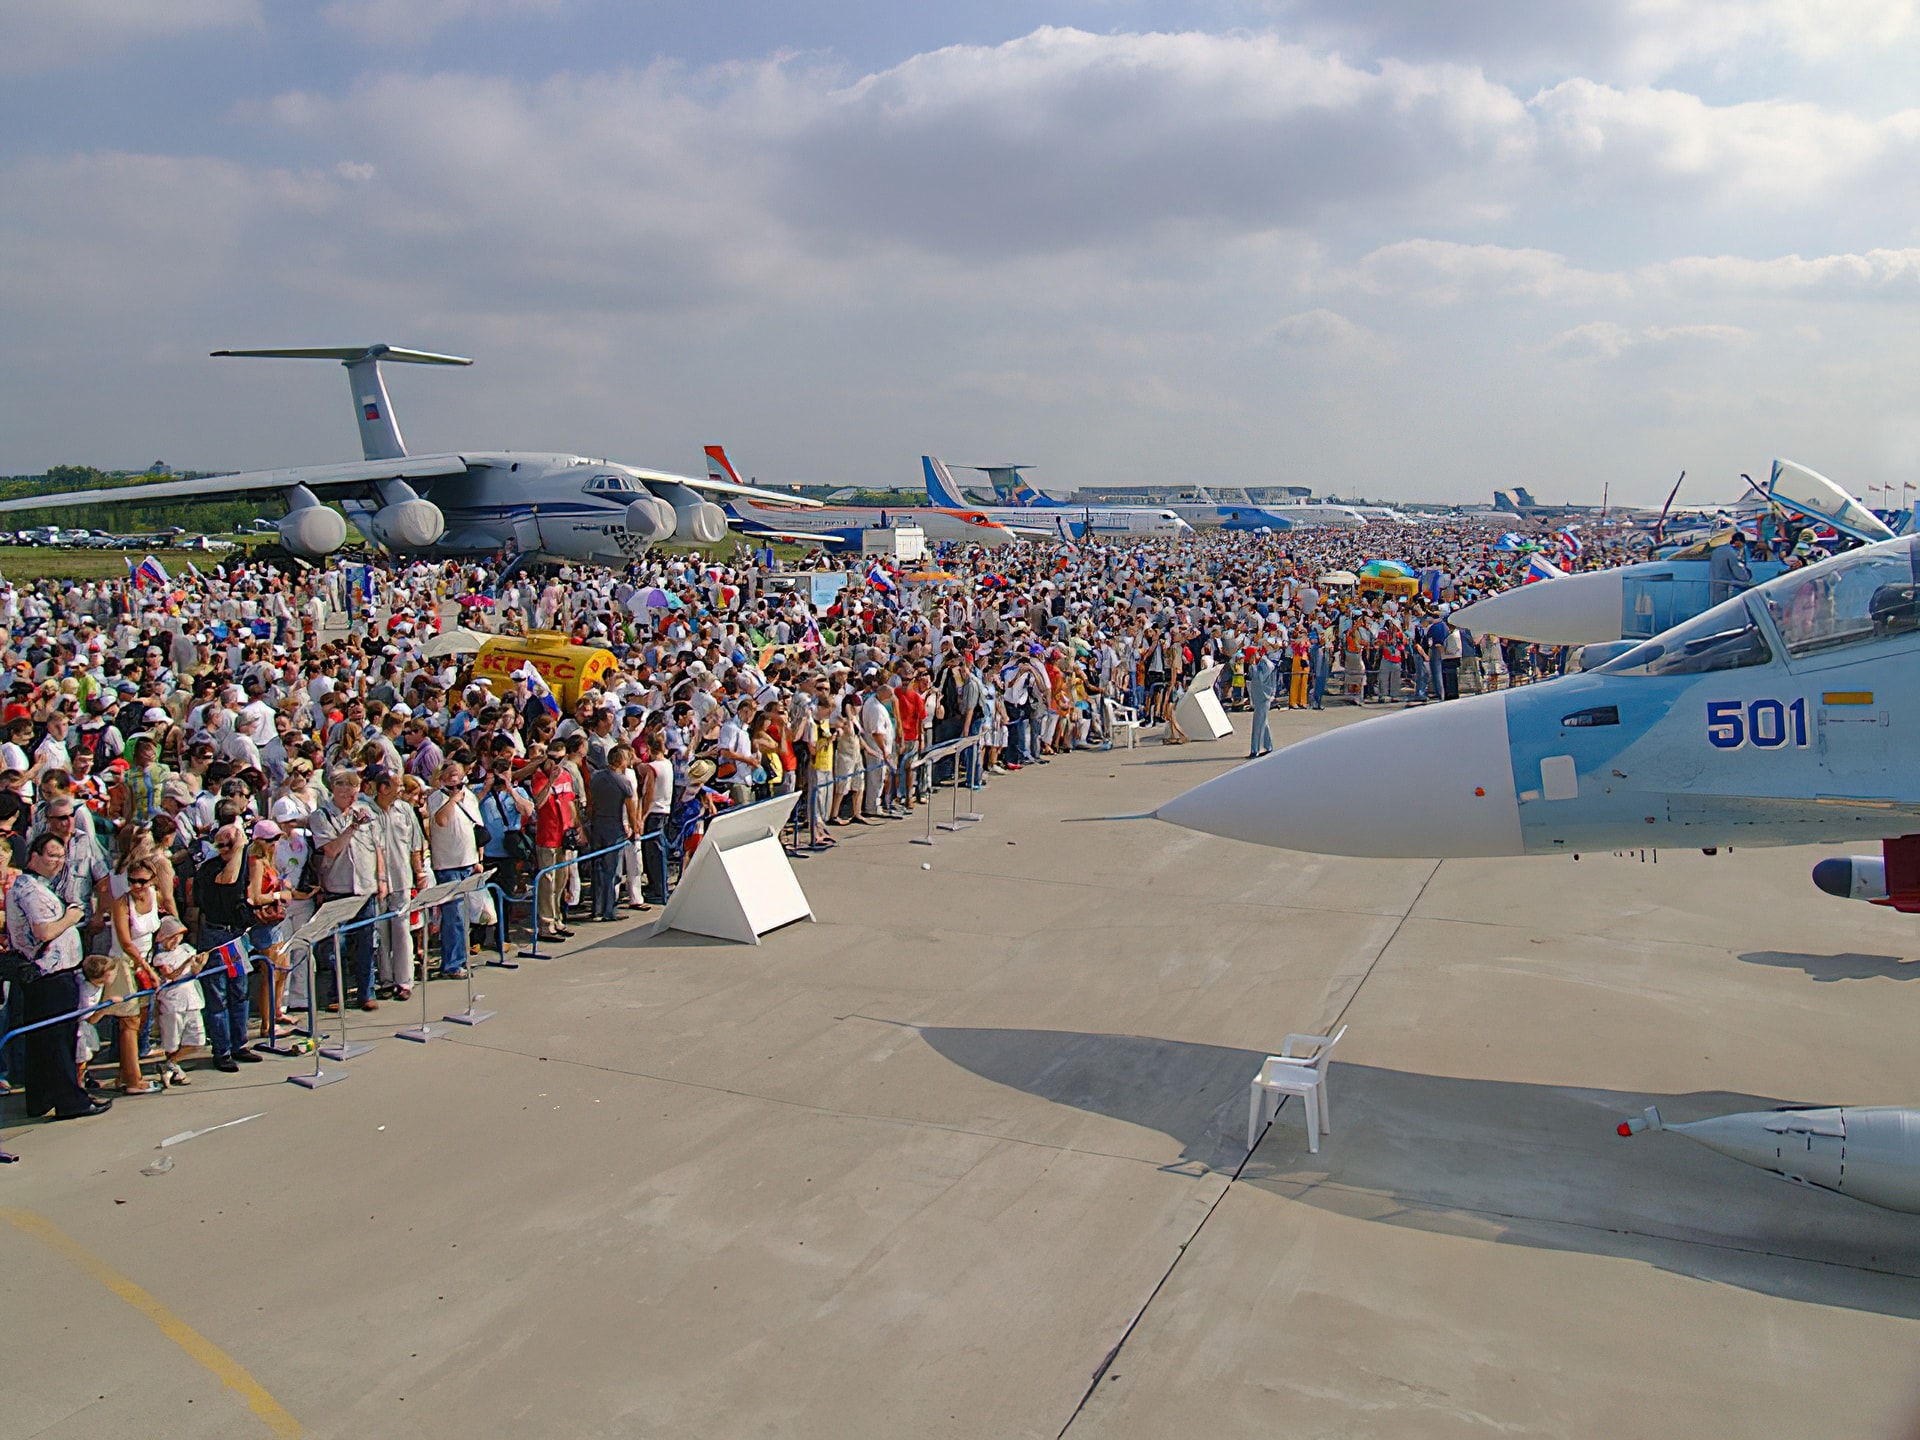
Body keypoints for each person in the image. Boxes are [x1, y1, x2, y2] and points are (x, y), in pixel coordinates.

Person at [6, 831, 110, 1119]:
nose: (58, 861)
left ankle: (41, 1099)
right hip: (48, 976)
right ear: (34, 856)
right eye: (52, 855)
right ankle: (70, 1101)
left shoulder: (41, 886)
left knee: (46, 1040)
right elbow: (44, 932)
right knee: (57, 1040)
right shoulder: (28, 888)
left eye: (61, 855)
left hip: (56, 974)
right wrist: (72, 917)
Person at [309, 769, 387, 1010]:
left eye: (355, 794)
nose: (352, 800)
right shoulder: (322, 816)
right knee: (336, 946)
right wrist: (352, 827)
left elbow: (377, 848)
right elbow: (331, 850)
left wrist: (382, 879)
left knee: (366, 943)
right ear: (335, 791)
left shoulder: (366, 813)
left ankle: (366, 993)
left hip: (366, 887)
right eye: (347, 795)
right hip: (338, 887)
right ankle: (336, 995)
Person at [194, 823, 258, 1072]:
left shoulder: (243, 862)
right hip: (216, 934)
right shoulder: (209, 868)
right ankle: (221, 1050)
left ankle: (239, 1044)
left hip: (236, 935)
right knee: (218, 996)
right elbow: (228, 880)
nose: (225, 849)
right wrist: (239, 847)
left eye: (229, 844)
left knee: (239, 991)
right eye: (220, 844)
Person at [369, 767, 426, 998]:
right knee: (381, 932)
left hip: (402, 879)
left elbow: (415, 845)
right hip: (376, 883)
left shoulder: (405, 810)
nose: (402, 790)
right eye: (398, 785)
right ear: (383, 788)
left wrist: (419, 873)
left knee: (402, 930)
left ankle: (404, 981)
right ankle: (385, 979)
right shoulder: (367, 811)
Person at [425, 759, 482, 976]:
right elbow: (441, 821)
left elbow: (475, 826)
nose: (455, 779)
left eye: (458, 775)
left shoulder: (470, 797)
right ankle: (452, 963)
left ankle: (461, 956)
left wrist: (478, 858)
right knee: (454, 915)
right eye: (450, 775)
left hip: (468, 860)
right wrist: (452, 799)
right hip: (448, 864)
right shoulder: (436, 797)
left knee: (465, 915)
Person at [149, 915, 203, 1086]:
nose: (175, 941)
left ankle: (170, 1065)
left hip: (192, 998)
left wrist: (198, 964)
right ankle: (174, 1068)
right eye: (170, 938)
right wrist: (186, 963)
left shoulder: (187, 949)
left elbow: (196, 971)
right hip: (172, 1002)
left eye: (177, 937)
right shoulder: (160, 958)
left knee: (197, 1040)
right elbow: (171, 975)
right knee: (172, 1041)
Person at [584, 744, 636, 922]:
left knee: (598, 868)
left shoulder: (595, 777)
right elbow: (631, 809)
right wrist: (635, 828)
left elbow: (590, 803)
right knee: (612, 869)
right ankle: (608, 910)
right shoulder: (623, 782)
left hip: (598, 825)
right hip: (614, 828)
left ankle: (597, 908)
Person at [1245, 643, 1275, 758]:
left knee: (1258, 725)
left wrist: (1253, 665)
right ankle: (1268, 746)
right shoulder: (1258, 664)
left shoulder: (1264, 663)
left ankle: (1254, 749)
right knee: (1264, 723)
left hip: (1264, 697)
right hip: (1258, 697)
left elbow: (1259, 679)